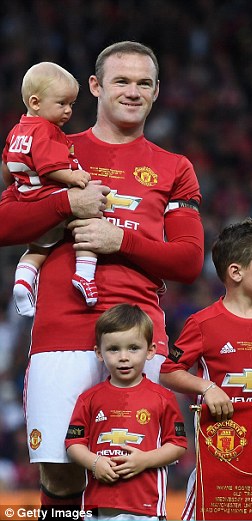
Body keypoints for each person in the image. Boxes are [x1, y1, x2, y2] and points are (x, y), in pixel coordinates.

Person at [0, 41, 204, 517]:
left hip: (138, 336)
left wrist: (121, 242)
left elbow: (189, 261)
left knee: (130, 472)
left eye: (143, 83)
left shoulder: (175, 168)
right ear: (95, 86)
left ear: (156, 92)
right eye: (120, 80)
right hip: (62, 330)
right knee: (59, 467)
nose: (132, 92)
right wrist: (67, 203)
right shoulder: (57, 147)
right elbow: (5, 222)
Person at [160, 217, 252, 520]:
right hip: (220, 450)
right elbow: (168, 369)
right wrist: (207, 387)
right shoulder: (202, 323)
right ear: (236, 272)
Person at [65, 303, 187, 521]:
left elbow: (178, 445)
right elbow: (73, 444)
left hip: (146, 510)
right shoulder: (89, 398)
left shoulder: (163, 397)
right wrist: (95, 463)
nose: (123, 357)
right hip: (98, 509)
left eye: (133, 348)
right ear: (99, 352)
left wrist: (145, 460)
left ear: (150, 351)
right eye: (113, 349)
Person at [1, 61, 101, 316]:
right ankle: (85, 274)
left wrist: (16, 186)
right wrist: (74, 177)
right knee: (90, 216)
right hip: (49, 195)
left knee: (37, 248)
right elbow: (49, 167)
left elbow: (6, 168)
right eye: (61, 104)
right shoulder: (47, 130)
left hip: (26, 198)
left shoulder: (17, 130)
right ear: (35, 102)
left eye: (71, 104)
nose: (68, 111)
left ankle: (23, 282)